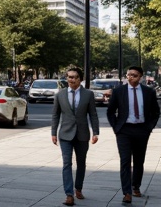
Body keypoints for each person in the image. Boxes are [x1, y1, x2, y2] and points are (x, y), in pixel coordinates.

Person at [107, 65, 160, 203]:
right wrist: (116, 128)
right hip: (124, 130)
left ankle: (136, 186)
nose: (131, 77)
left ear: (140, 77)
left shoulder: (149, 92)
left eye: (134, 75)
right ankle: (127, 192)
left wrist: (149, 127)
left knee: (139, 160)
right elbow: (111, 112)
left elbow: (155, 112)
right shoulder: (119, 91)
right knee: (125, 161)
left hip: (142, 130)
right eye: (129, 75)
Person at [51, 66, 99, 205]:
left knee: (81, 163)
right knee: (67, 164)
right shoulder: (60, 94)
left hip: (82, 134)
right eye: (69, 77)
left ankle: (78, 188)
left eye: (75, 77)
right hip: (65, 134)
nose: (72, 80)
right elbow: (55, 115)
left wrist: (95, 132)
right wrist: (53, 133)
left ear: (80, 79)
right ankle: (69, 194)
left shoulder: (88, 94)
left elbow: (93, 115)